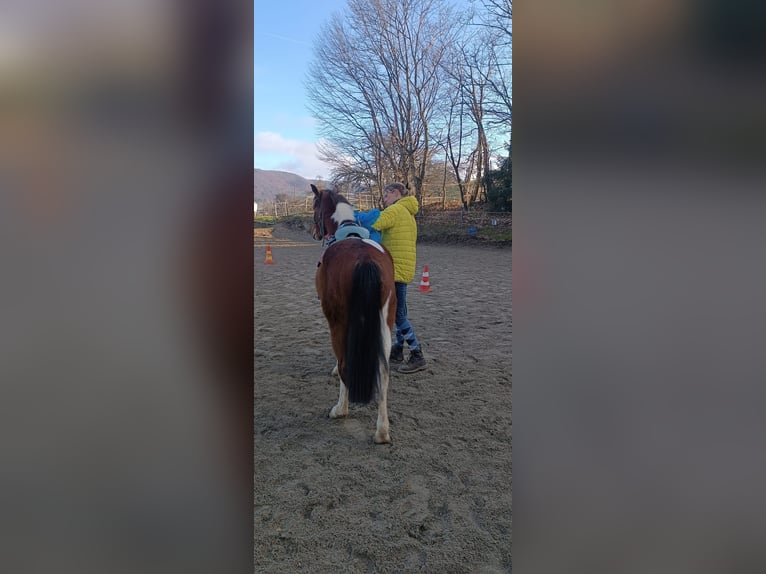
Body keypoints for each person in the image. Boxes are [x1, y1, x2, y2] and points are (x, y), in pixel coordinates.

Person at [357, 182, 426, 373]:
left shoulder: (395, 210)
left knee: (398, 315)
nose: (384, 201)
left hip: (393, 270)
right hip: (403, 269)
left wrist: (355, 216)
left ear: (395, 193)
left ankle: (416, 353)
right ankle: (397, 349)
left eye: (386, 196)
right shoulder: (409, 214)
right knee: (399, 309)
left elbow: (374, 223)